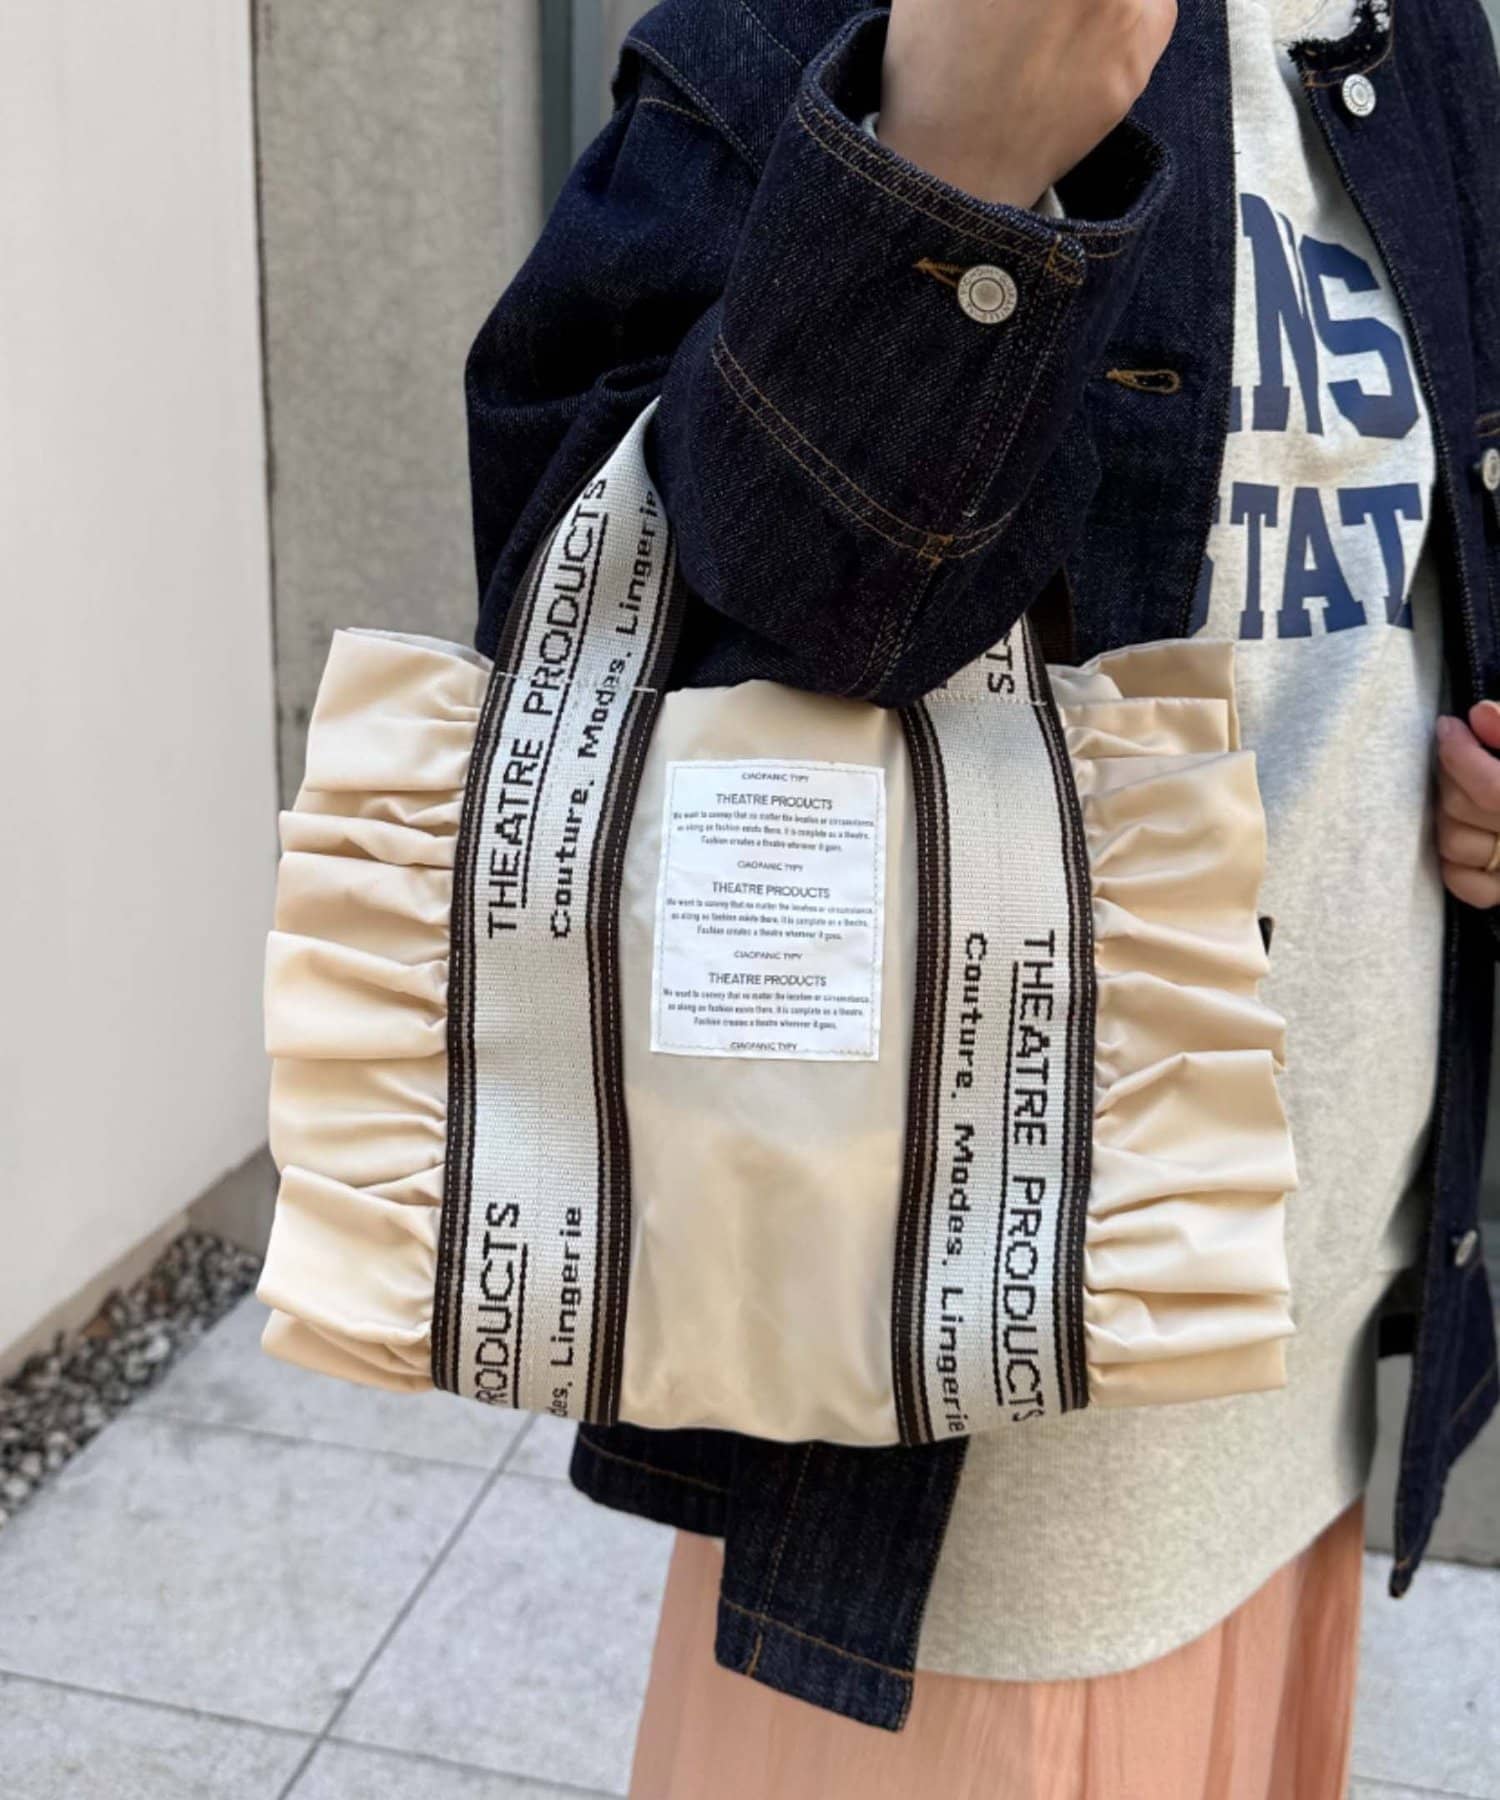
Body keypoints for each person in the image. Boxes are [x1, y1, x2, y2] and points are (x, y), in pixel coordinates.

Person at [463, 0, 1500, 1792]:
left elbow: (1410, 574)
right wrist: (945, 185)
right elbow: (597, 643)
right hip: (968, 1446)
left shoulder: (1418, 33)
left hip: (1309, 1349)